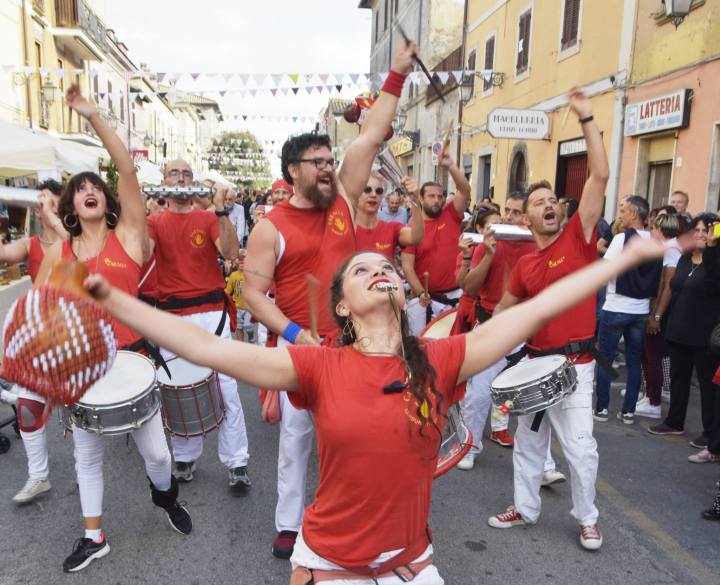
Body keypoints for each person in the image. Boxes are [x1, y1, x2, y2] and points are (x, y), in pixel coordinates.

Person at [84, 232, 669, 584]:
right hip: (329, 559)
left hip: (412, 561)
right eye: (362, 270)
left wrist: (619, 262)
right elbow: (206, 347)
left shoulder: (440, 359)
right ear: (341, 306)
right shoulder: (318, 365)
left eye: (386, 267)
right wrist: (115, 300)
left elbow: (531, 313)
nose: (381, 271)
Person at [244, 40, 416, 560]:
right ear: (291, 170)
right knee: (297, 440)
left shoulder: (343, 196)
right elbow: (253, 295)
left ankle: (365, 519)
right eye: (315, 161)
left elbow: (369, 134)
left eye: (327, 158)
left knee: (360, 436)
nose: (326, 166)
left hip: (355, 343)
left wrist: (398, 74)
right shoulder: (270, 227)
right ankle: (289, 526)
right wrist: (296, 335)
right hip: (302, 348)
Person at [36, 84, 191, 572]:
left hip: (134, 362)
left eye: (95, 187)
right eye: (79, 189)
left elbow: (125, 168)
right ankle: (93, 535)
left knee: (158, 456)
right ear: (69, 206)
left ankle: (165, 497)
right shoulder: (59, 255)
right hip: (87, 369)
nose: (90, 191)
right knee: (87, 457)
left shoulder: (129, 236)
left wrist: (91, 114)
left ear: (106, 199)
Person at [488, 88, 610, 550]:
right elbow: (504, 311)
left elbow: (600, 173)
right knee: (528, 445)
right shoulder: (523, 265)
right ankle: (525, 507)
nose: (549, 204)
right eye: (540, 202)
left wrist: (587, 117)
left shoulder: (578, 238)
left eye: (554, 199)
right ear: (528, 217)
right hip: (534, 367)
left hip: (576, 368)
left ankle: (587, 517)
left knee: (581, 450)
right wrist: (478, 342)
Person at [148, 158, 250, 493]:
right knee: (176, 390)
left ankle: (237, 461)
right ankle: (185, 455)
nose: (181, 179)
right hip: (172, 317)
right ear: (164, 181)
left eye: (187, 174)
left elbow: (232, 252)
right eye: (174, 174)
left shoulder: (208, 218)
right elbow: (140, 254)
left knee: (227, 388)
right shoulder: (154, 222)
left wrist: (220, 211)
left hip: (211, 312)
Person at [0, 181, 67, 504]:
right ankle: (38, 476)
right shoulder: (32, 243)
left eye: (50, 202)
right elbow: (3, 255)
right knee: (28, 407)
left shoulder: (78, 239)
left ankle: (88, 469)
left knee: (83, 411)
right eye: (40, 202)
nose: (44, 207)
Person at [649, 213, 720, 455]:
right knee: (678, 380)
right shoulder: (684, 260)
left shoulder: (715, 263)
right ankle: (674, 422)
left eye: (706, 230)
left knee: (707, 386)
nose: (701, 234)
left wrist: (711, 250)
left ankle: (710, 433)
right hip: (678, 331)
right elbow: (673, 289)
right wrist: (660, 319)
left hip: (704, 336)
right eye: (697, 230)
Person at [594, 195, 660, 423]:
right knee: (633, 362)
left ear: (634, 214)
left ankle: (602, 408)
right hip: (640, 311)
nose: (619, 214)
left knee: (605, 357)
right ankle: (628, 411)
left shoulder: (621, 239)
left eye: (623, 210)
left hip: (616, 307)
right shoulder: (655, 241)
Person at [402, 156, 471, 336]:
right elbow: (407, 267)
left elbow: (464, 190)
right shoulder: (412, 229)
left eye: (440, 196)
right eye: (431, 196)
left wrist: (450, 166)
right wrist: (419, 293)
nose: (437, 200)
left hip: (457, 296)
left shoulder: (451, 214)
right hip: (427, 301)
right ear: (421, 199)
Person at [636, 213, 684, 419]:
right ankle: (649, 396)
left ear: (661, 229)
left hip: (662, 311)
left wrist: (656, 315)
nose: (651, 231)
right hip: (658, 309)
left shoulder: (671, 249)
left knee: (653, 355)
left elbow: (668, 286)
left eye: (654, 228)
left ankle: (654, 401)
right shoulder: (670, 247)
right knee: (648, 354)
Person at [355, 174, 423, 259]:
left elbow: (416, 237)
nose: (373, 194)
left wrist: (414, 199)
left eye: (378, 191)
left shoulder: (391, 228)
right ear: (356, 193)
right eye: (367, 189)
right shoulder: (346, 229)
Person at [226, 252, 254, 343]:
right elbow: (228, 290)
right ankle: (240, 345)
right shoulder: (233, 275)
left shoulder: (251, 274)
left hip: (248, 307)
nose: (242, 263)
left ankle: (251, 335)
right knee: (239, 327)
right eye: (240, 261)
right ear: (237, 263)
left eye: (244, 261)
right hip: (237, 307)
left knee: (248, 327)